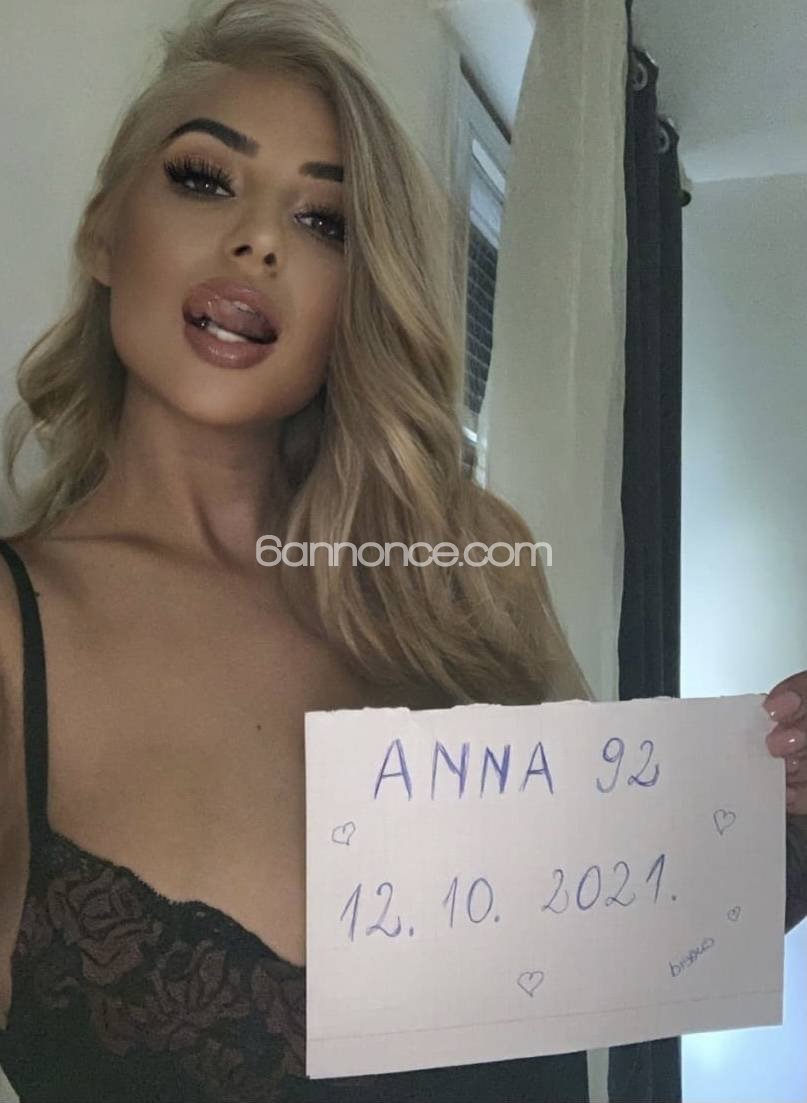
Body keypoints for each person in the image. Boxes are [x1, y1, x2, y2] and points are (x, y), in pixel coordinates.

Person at [0, 1, 804, 1100]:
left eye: (323, 221)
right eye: (203, 178)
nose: (258, 241)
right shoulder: (16, 642)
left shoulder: (465, 576)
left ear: (356, 295)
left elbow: (625, 931)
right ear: (103, 232)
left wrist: (788, 805)